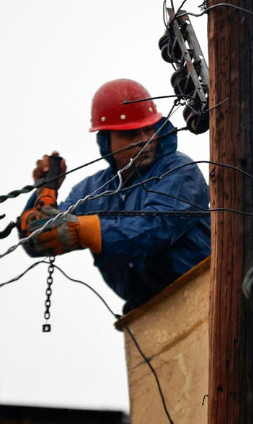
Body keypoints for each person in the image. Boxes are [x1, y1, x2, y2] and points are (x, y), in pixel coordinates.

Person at [18, 78, 211, 312]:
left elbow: (156, 229)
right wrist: (44, 193)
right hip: (144, 312)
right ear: (105, 141)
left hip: (204, 290)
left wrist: (86, 231)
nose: (144, 141)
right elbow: (38, 240)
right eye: (130, 134)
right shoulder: (93, 191)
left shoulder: (179, 170)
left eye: (148, 128)